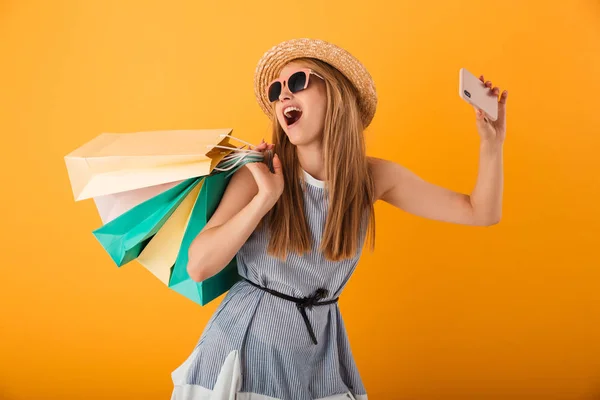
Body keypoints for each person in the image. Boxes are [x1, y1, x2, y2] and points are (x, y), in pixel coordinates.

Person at [170, 38, 508, 400]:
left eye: (297, 81)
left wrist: (492, 143)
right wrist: (265, 199)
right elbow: (199, 266)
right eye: (276, 90)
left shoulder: (372, 179)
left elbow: (481, 212)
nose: (283, 95)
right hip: (243, 353)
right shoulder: (260, 174)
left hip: (320, 355)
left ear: (336, 94)